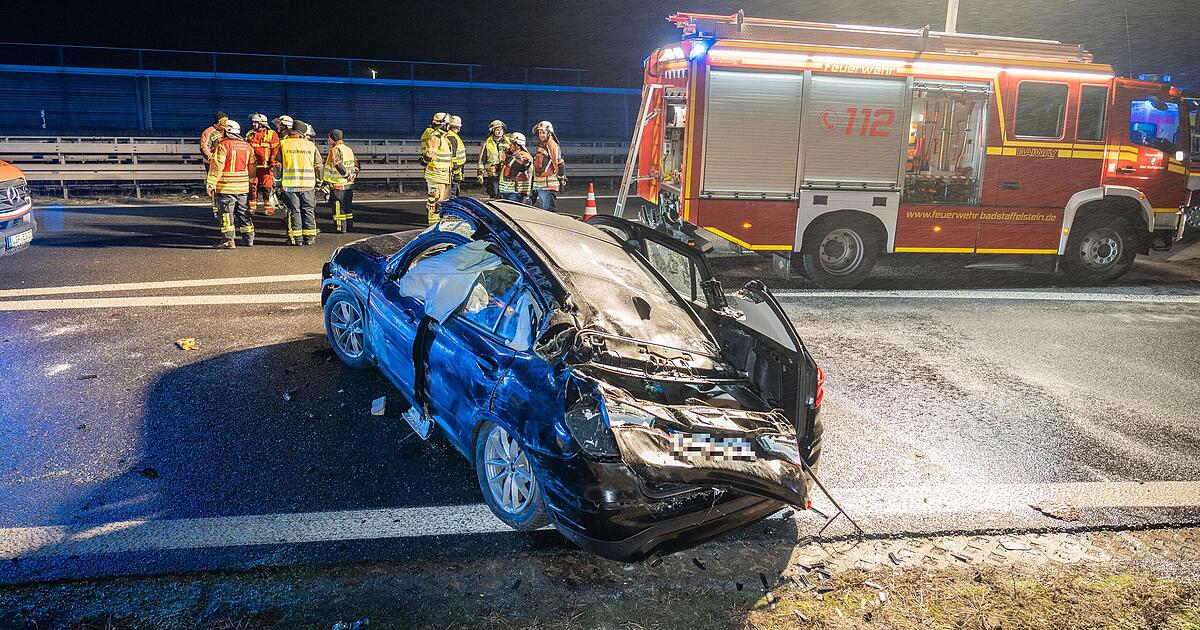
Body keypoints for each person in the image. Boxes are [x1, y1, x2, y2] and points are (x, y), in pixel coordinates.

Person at [205, 119, 257, 249]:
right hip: (243, 187)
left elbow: (217, 166)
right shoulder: (247, 146)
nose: (220, 133)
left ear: (227, 131)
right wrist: (250, 182)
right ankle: (249, 238)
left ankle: (228, 240)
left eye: (222, 130)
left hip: (226, 187)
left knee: (227, 214)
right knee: (243, 212)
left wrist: (211, 184)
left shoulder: (223, 146)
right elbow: (252, 167)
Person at [279, 120, 323, 245]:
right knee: (308, 210)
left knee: (294, 210)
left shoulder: (283, 144)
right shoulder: (311, 146)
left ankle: (296, 239)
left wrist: (276, 184)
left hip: (290, 185)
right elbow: (319, 166)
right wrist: (319, 182)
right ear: (302, 133)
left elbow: (278, 166)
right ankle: (309, 238)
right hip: (308, 185)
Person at [323, 129, 358, 233]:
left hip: (338, 184)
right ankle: (349, 226)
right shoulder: (348, 149)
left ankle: (340, 227)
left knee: (339, 208)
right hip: (349, 185)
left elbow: (337, 164)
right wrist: (354, 174)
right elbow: (356, 163)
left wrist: (346, 175)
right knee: (347, 207)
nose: (328, 139)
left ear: (333, 138)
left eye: (329, 137)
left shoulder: (335, 150)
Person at [245, 112, 280, 215]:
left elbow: (275, 150)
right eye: (253, 122)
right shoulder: (250, 134)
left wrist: (272, 163)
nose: (253, 124)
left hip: (266, 167)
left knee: (267, 188)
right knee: (252, 187)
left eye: (256, 122)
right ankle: (252, 208)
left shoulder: (271, 134)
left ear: (262, 123)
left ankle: (269, 208)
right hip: (253, 166)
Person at [422, 116, 454, 225]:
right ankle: (433, 226)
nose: (449, 127)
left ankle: (441, 225)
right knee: (435, 203)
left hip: (443, 176)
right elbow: (428, 156)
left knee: (443, 202)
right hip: (436, 175)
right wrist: (424, 161)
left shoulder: (442, 137)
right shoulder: (435, 137)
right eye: (448, 124)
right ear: (442, 125)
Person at [531, 121, 565, 211]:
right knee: (545, 211)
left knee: (549, 212)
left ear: (549, 133)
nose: (541, 135)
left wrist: (561, 178)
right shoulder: (543, 145)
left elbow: (557, 162)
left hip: (548, 185)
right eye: (539, 133)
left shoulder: (552, 145)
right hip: (542, 185)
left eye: (543, 132)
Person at [498, 133, 533, 203]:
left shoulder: (524, 155)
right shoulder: (514, 155)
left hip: (516, 192)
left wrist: (507, 159)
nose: (509, 145)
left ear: (517, 145)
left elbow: (521, 166)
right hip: (509, 191)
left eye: (511, 143)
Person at [477, 120, 507, 199]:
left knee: (504, 193)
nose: (499, 132)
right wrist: (480, 173)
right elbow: (482, 159)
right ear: (493, 131)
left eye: (501, 129)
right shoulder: (487, 143)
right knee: (494, 192)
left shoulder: (507, 142)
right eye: (497, 130)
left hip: (505, 172)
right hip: (493, 172)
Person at [446, 115, 467, 197]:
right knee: (453, 190)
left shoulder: (452, 135)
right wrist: (456, 170)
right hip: (455, 167)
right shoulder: (452, 137)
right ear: (458, 127)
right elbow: (453, 154)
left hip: (457, 166)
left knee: (454, 188)